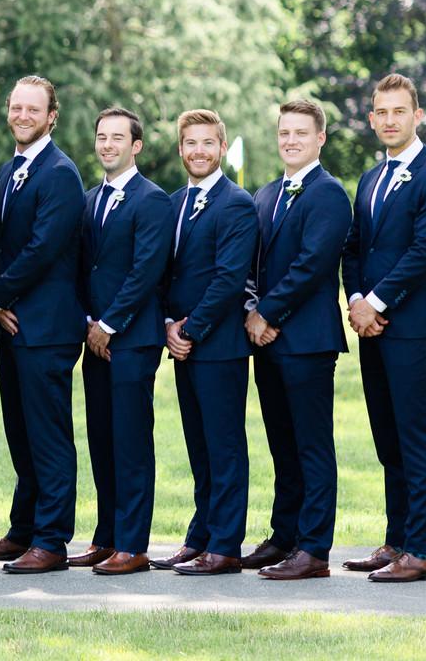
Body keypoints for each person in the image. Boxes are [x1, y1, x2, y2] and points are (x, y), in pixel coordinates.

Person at [341, 73, 426, 583]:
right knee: (387, 439)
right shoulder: (370, 178)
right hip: (372, 325)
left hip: (411, 325)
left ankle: (421, 550)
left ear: (417, 116)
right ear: (372, 120)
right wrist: (354, 299)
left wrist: (375, 301)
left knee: (417, 437)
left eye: (399, 111)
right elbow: (354, 247)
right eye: (381, 112)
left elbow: (425, 252)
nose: (389, 120)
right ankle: (395, 542)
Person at [239, 99, 352, 581]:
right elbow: (251, 264)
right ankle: (283, 536)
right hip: (266, 342)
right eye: (284, 132)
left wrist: (267, 312)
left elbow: (312, 265)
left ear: (319, 138)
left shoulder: (328, 194)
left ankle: (313, 549)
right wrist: (251, 310)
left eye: (300, 133)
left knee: (311, 446)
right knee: (281, 446)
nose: (290, 140)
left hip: (306, 340)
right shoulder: (265, 195)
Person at [0, 75, 86, 575]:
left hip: (47, 326)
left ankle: (51, 539)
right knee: (20, 433)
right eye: (16, 107)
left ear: (51, 116)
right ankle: (23, 529)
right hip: (12, 324)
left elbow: (44, 247)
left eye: (32, 109)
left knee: (48, 435)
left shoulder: (60, 173)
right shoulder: (10, 169)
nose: (21, 115)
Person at [155, 108, 258, 576]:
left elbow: (228, 279)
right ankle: (200, 536)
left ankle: (225, 545)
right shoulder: (173, 201)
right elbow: (161, 271)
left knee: (224, 447)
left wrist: (188, 330)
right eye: (190, 143)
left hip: (218, 348)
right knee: (198, 448)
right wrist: (165, 324)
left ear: (220, 148)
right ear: (181, 149)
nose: (198, 151)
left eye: (207, 143)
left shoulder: (236, 204)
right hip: (182, 343)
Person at [74, 107, 173, 575]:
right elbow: (84, 268)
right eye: (101, 136)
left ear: (136, 146)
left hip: (131, 339)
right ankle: (106, 536)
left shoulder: (152, 200)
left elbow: (146, 269)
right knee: (102, 440)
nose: (107, 144)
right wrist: (90, 321)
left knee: (131, 441)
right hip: (94, 337)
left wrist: (109, 324)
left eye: (118, 137)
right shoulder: (90, 197)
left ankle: (133, 546)